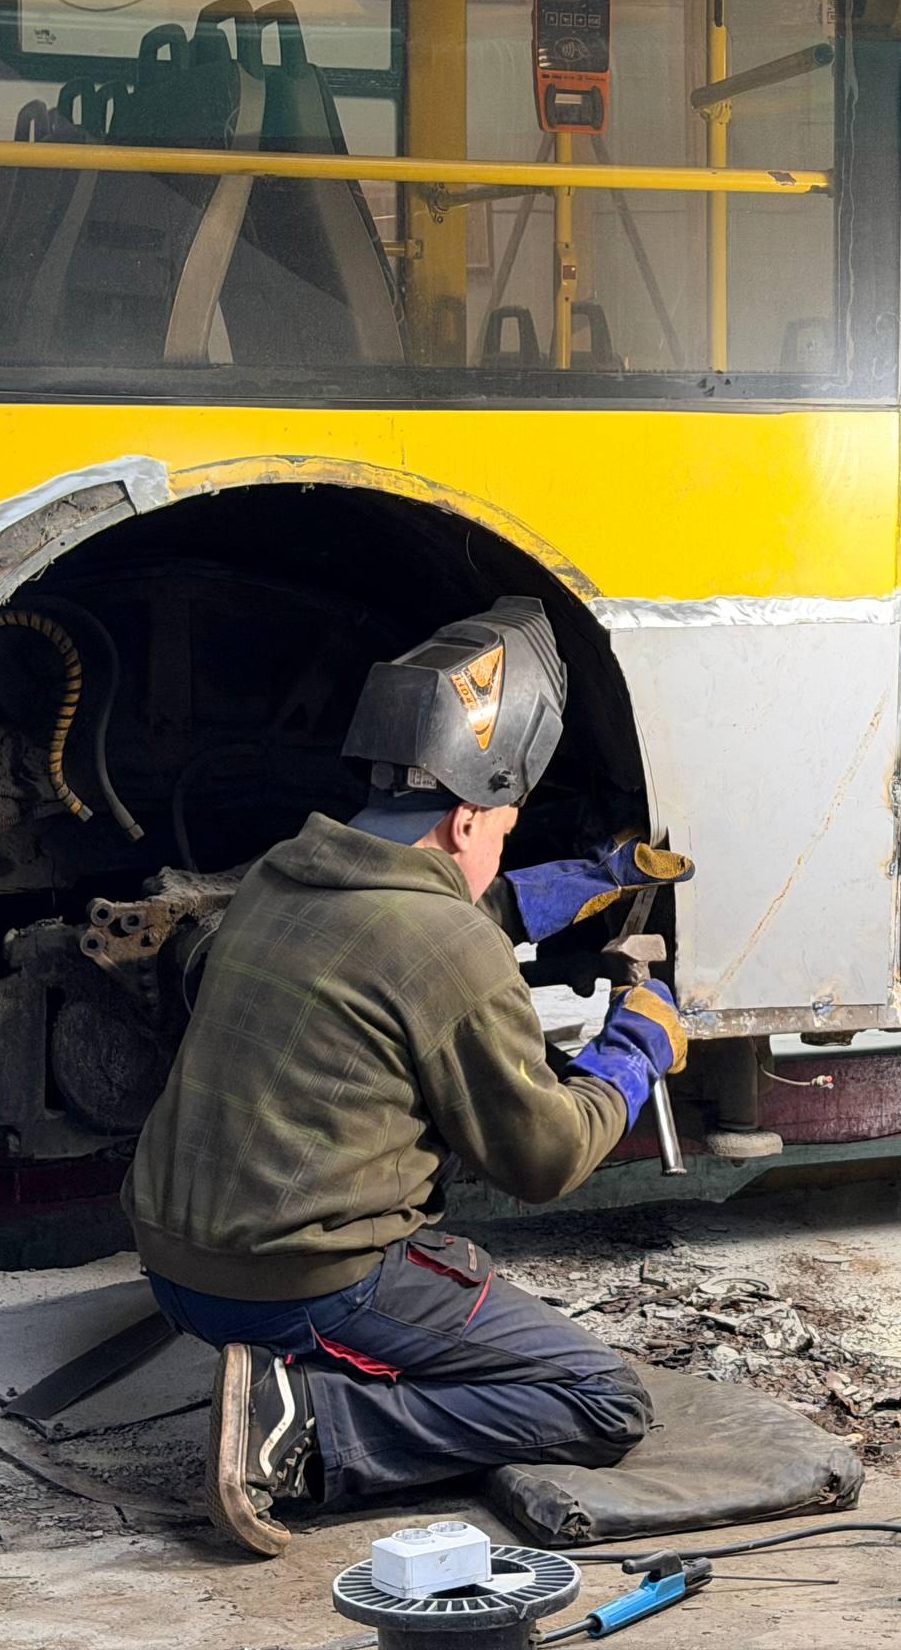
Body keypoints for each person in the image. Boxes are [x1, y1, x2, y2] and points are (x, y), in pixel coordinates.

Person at [124, 596, 694, 1555]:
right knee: (600, 1399)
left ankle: (281, 1378)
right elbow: (544, 1157)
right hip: (301, 1283)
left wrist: (567, 885)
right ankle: (310, 1429)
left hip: (171, 1266)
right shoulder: (445, 944)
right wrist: (636, 1046)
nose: (501, 846)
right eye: (506, 832)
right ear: (470, 817)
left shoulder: (280, 876)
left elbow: (403, 924)